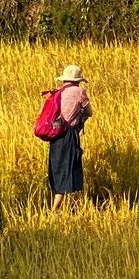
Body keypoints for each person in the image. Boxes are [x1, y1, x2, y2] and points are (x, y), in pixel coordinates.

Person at [46, 65, 91, 210]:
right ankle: (54, 211)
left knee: (56, 169)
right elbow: (89, 112)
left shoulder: (58, 92)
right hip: (69, 135)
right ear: (78, 80)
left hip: (55, 135)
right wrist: (80, 115)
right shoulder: (79, 92)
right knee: (66, 170)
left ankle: (54, 206)